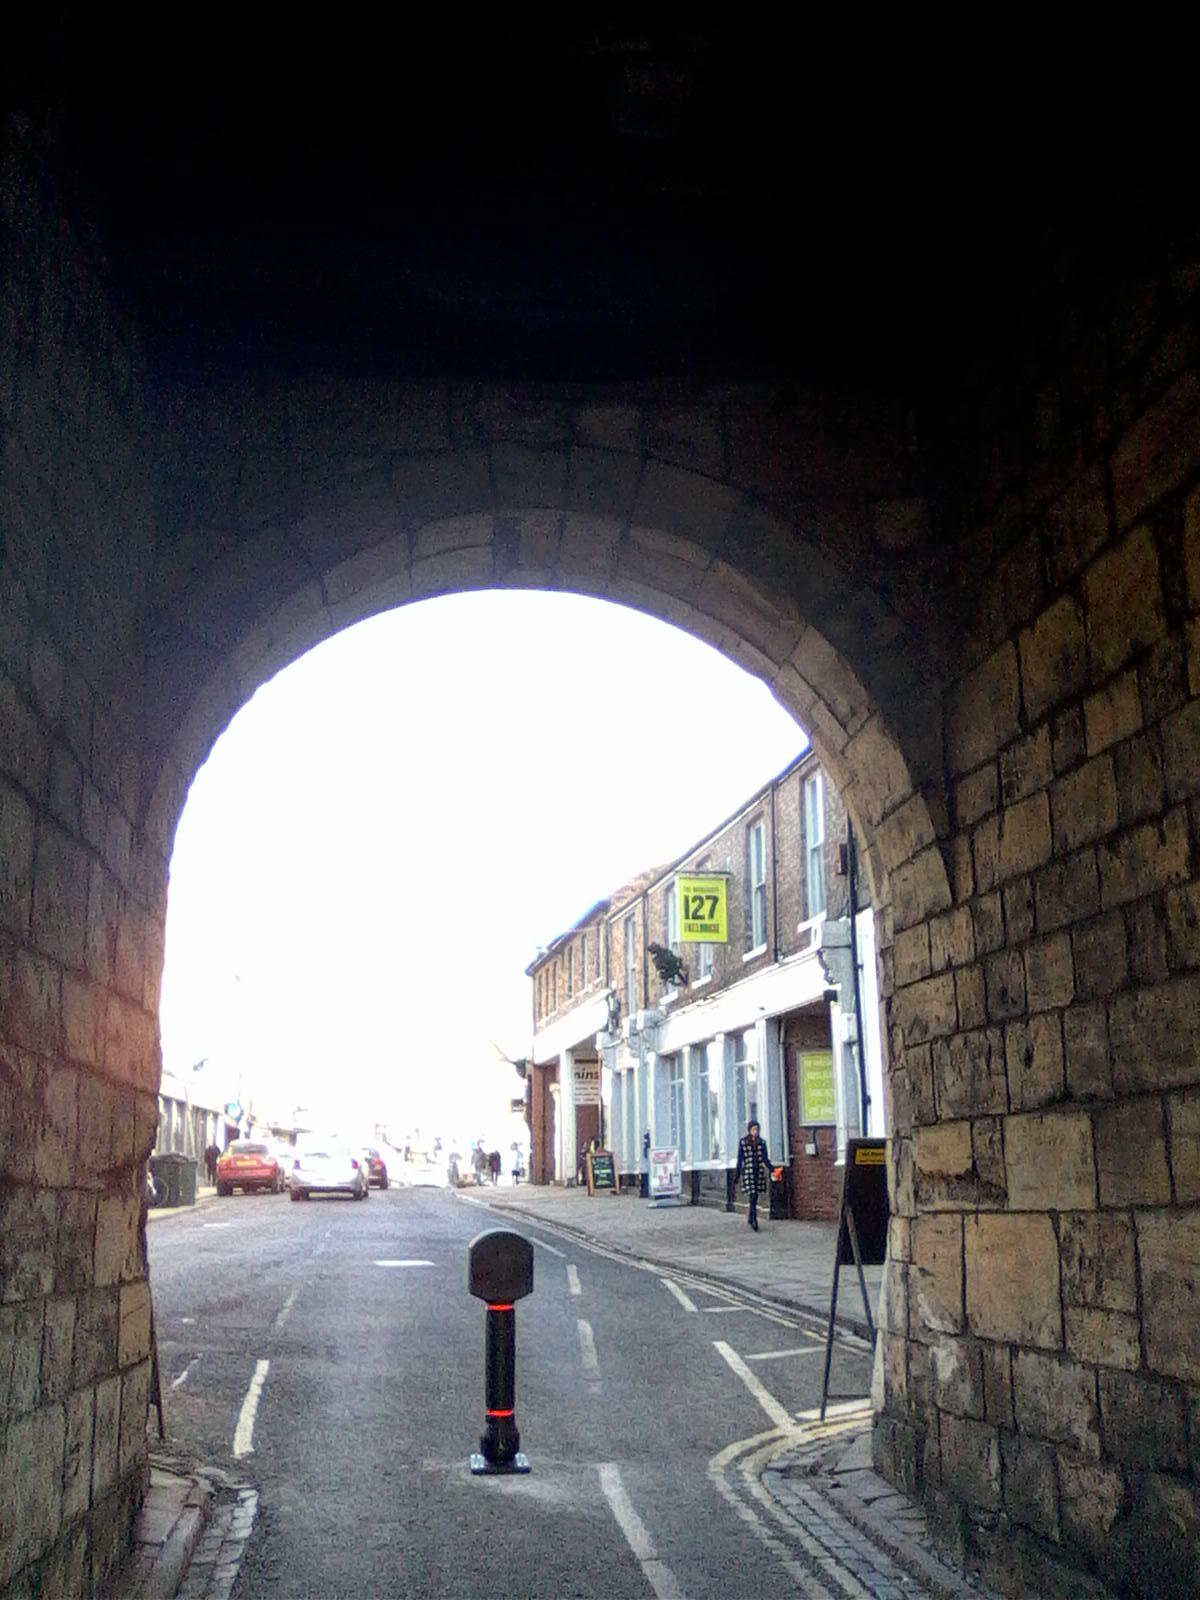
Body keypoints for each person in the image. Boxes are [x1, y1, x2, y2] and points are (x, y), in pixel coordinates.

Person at [735, 1119, 771, 1232]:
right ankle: (754, 1220)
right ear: (749, 1130)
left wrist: (772, 1169)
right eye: (753, 1129)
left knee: (755, 1196)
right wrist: (737, 1174)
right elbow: (740, 1159)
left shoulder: (762, 1143)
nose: (755, 1131)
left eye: (757, 1129)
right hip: (748, 1172)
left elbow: (765, 1158)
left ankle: (751, 1217)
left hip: (758, 1172)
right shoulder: (743, 1142)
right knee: (752, 1195)